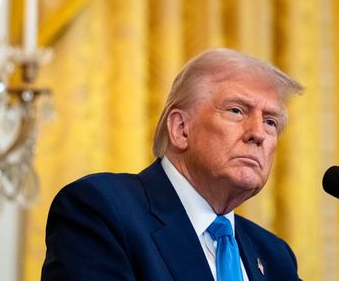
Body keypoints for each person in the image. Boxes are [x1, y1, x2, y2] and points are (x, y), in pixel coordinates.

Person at [41, 48, 304, 280]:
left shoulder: (275, 256)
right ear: (181, 129)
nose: (258, 133)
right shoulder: (102, 210)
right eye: (236, 110)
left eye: (271, 122)